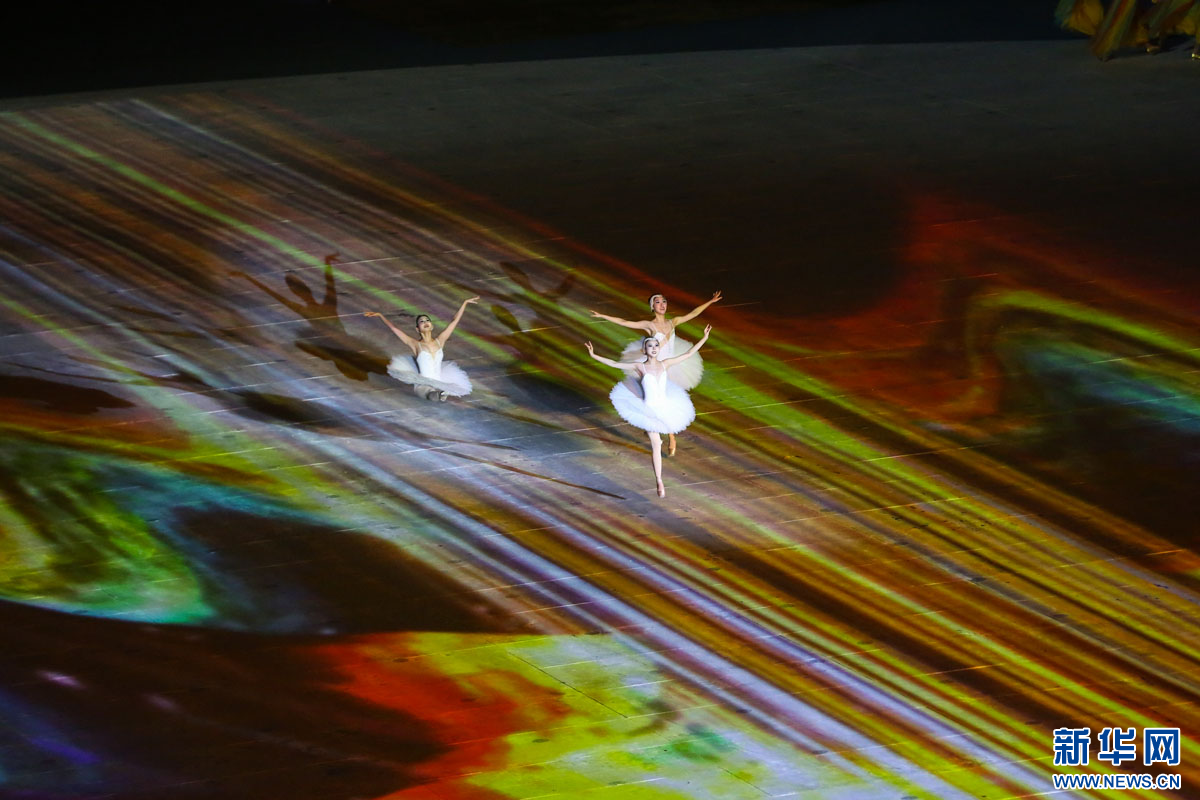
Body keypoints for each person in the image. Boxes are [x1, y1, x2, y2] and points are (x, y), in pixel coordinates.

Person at [585, 325, 711, 498]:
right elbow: (614, 363)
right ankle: (659, 480)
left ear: (659, 349)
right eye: (650, 346)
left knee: (667, 432)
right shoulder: (640, 366)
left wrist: (704, 338)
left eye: (656, 346)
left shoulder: (665, 364)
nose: (653, 348)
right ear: (645, 350)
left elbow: (688, 354)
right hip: (648, 410)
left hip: (666, 406)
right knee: (656, 444)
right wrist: (594, 355)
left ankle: (670, 443)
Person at [589, 290, 720, 455]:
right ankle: (653, 424)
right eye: (658, 302)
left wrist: (711, 301)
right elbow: (624, 322)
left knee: (668, 401)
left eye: (664, 301)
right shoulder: (649, 325)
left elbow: (693, 313)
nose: (662, 304)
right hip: (653, 365)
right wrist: (602, 315)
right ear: (652, 307)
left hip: (669, 365)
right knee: (650, 397)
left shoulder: (673, 322)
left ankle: (671, 436)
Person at [364, 296, 478, 401]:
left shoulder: (440, 340)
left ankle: (440, 393)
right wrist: (381, 316)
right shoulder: (415, 344)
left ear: (432, 326)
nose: (425, 322)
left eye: (427, 320)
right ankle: (437, 394)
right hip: (424, 382)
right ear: (417, 329)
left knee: (440, 392)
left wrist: (464, 303)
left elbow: (454, 321)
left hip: (439, 379)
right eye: (422, 322)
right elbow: (395, 329)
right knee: (430, 394)